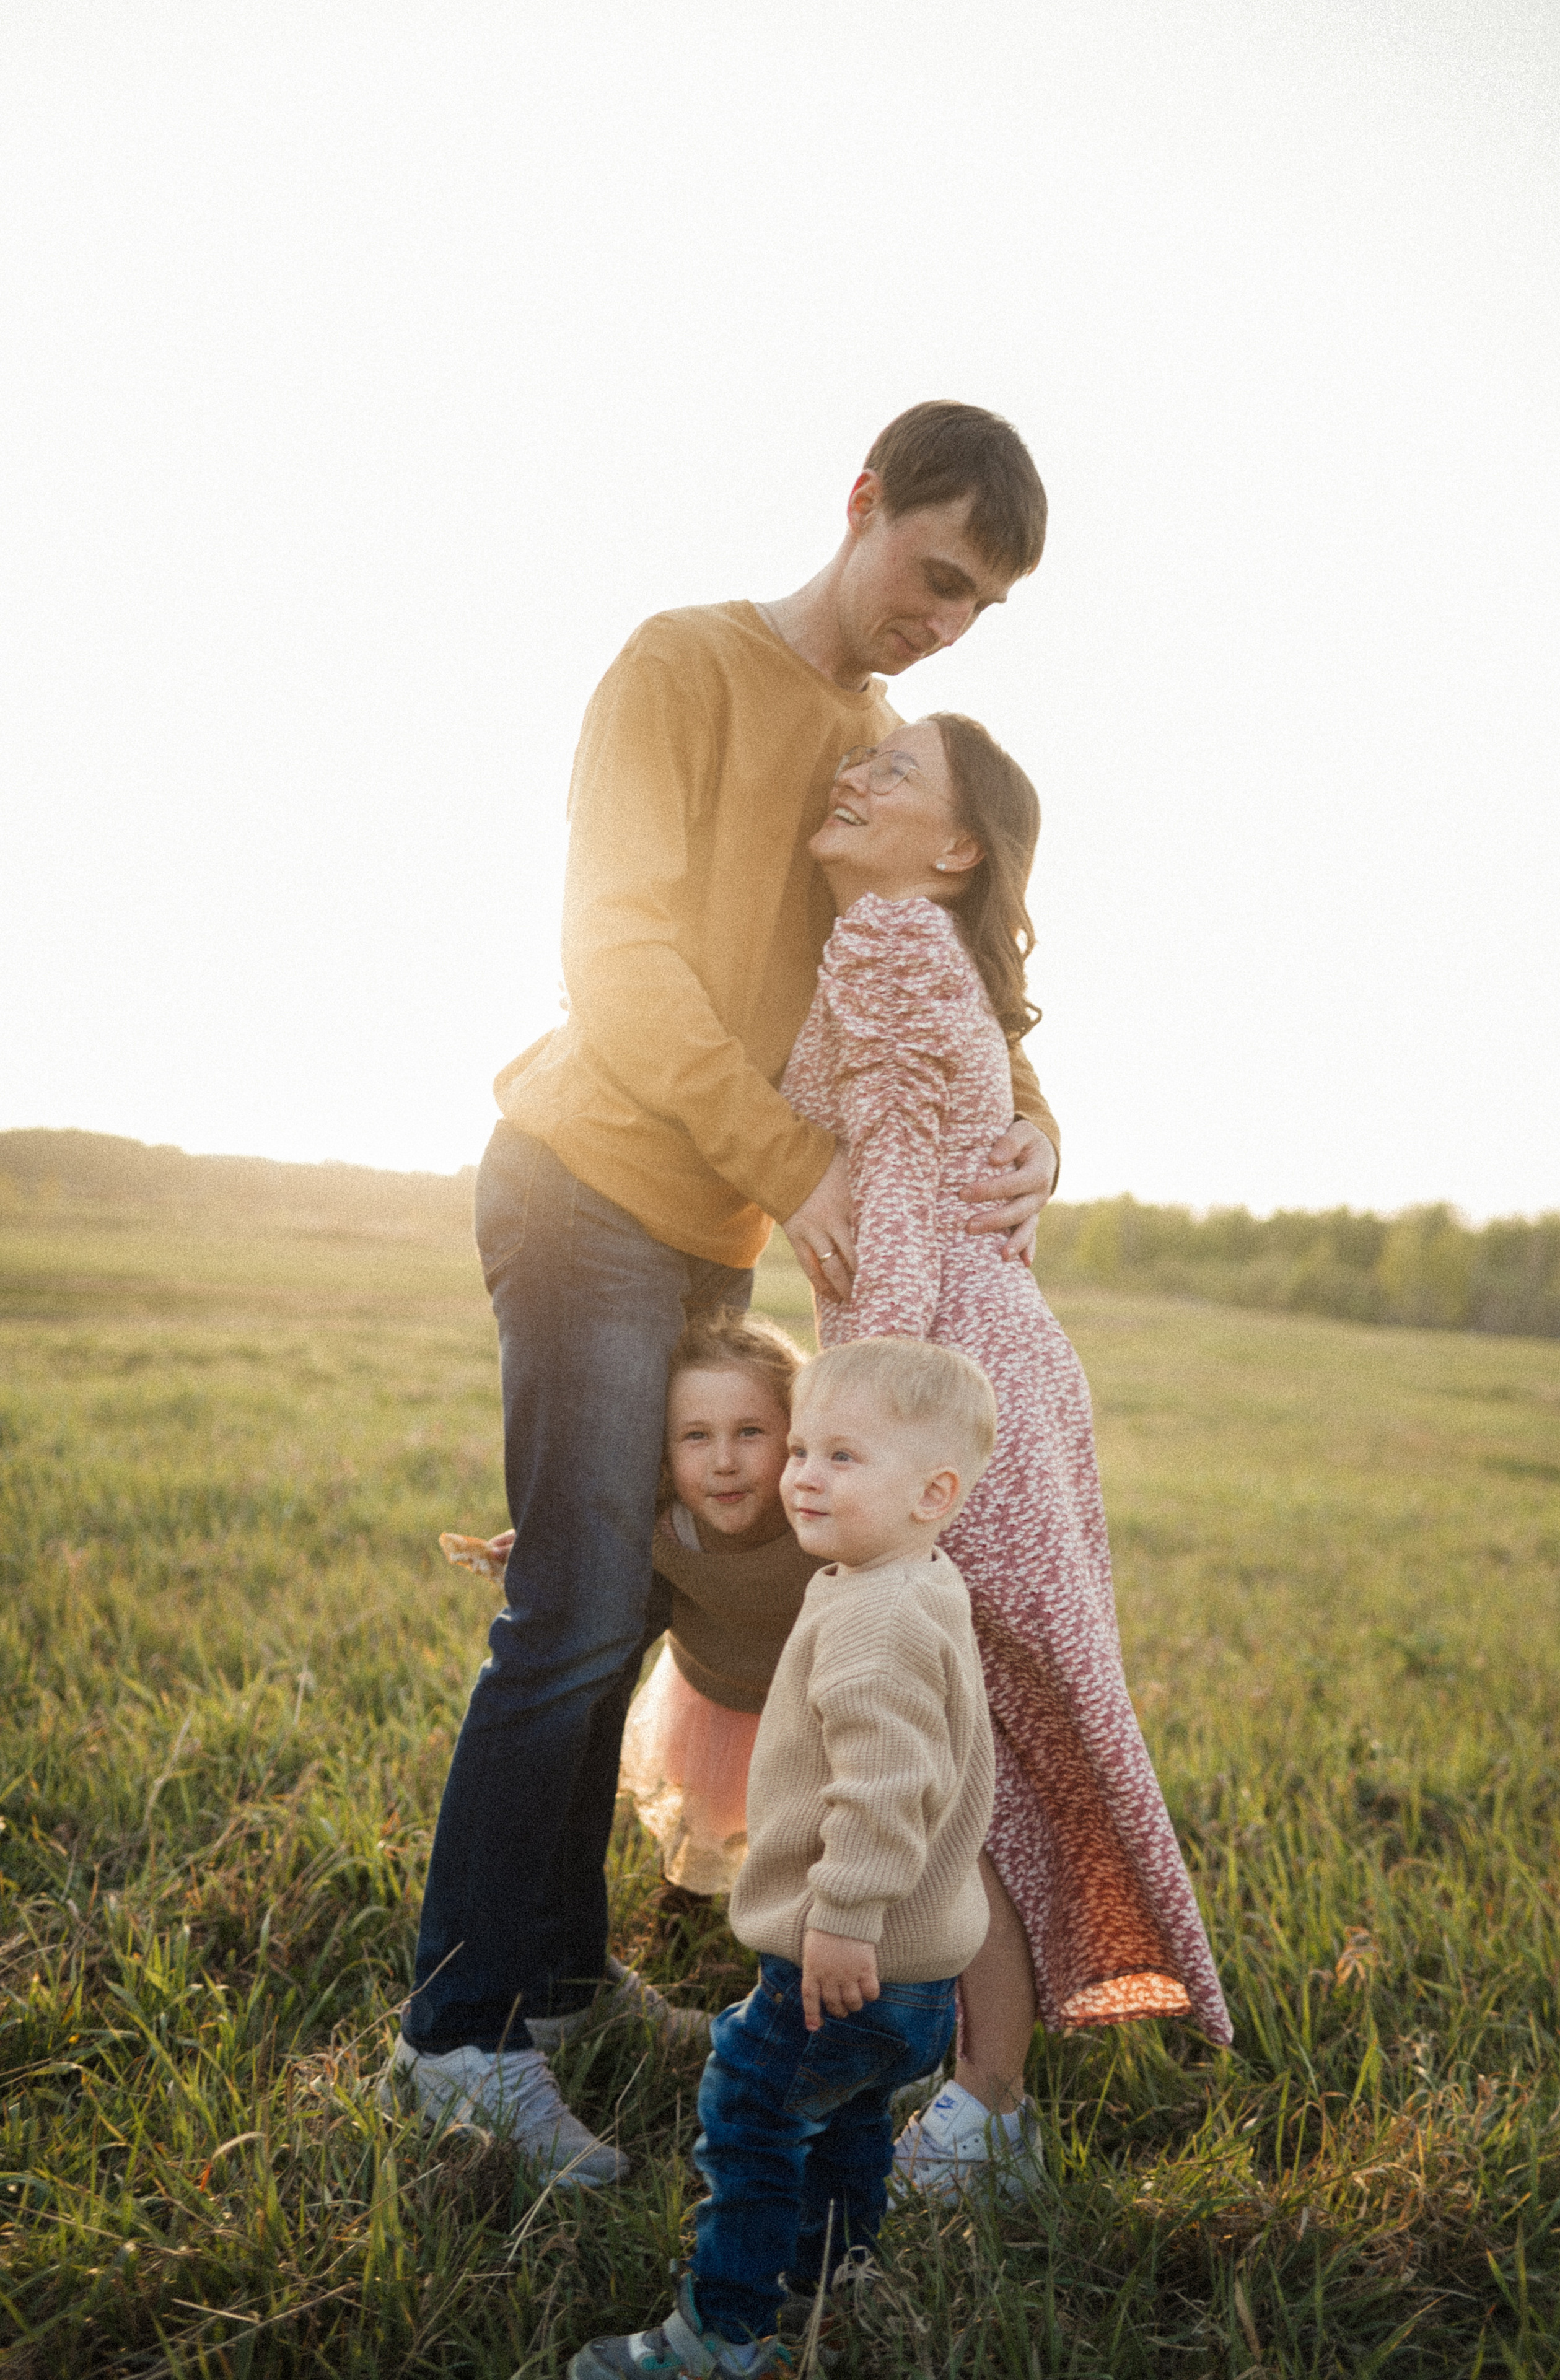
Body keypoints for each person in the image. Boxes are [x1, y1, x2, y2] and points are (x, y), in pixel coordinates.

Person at [390, 403, 1061, 2179]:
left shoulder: (886, 749)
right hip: (592, 1182)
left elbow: (957, 955)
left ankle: (560, 1971)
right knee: (577, 1609)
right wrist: (801, 1171)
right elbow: (615, 960)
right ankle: (457, 2034)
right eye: (934, 574)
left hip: (713, 1233)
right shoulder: (679, 666)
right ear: (860, 506)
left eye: (980, 606)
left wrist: (1038, 1131)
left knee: (634, 1606)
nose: (944, 622)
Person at [779, 712, 1233, 2202]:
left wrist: (858, 1420)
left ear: (956, 844)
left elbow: (901, 1188)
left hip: (948, 1382)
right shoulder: (921, 944)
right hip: (1000, 1374)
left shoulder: (889, 943)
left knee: (970, 1741)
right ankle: (982, 2075)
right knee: (1010, 1728)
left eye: (894, 773)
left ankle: (983, 2104)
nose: (856, 777)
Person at [569, 1336, 999, 2380]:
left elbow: (885, 1790)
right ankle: (833, 2268)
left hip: (849, 1951)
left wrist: (842, 1916)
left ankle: (723, 2332)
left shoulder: (873, 1621)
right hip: (925, 1978)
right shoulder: (916, 1578)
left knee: (751, 2113)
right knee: (850, 2118)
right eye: (800, 1447)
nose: (802, 1473)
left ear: (932, 1490)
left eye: (841, 1456)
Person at [445, 1310, 818, 1898]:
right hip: (715, 1702)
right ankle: (685, 1903)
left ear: (797, 1433)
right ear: (664, 1454)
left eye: (750, 1432)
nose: (724, 1461)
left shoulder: (822, 1527)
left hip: (807, 1712)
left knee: (808, 1845)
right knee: (708, 1821)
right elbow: (595, 1550)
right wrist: (543, 1549)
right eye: (697, 1436)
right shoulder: (663, 1531)